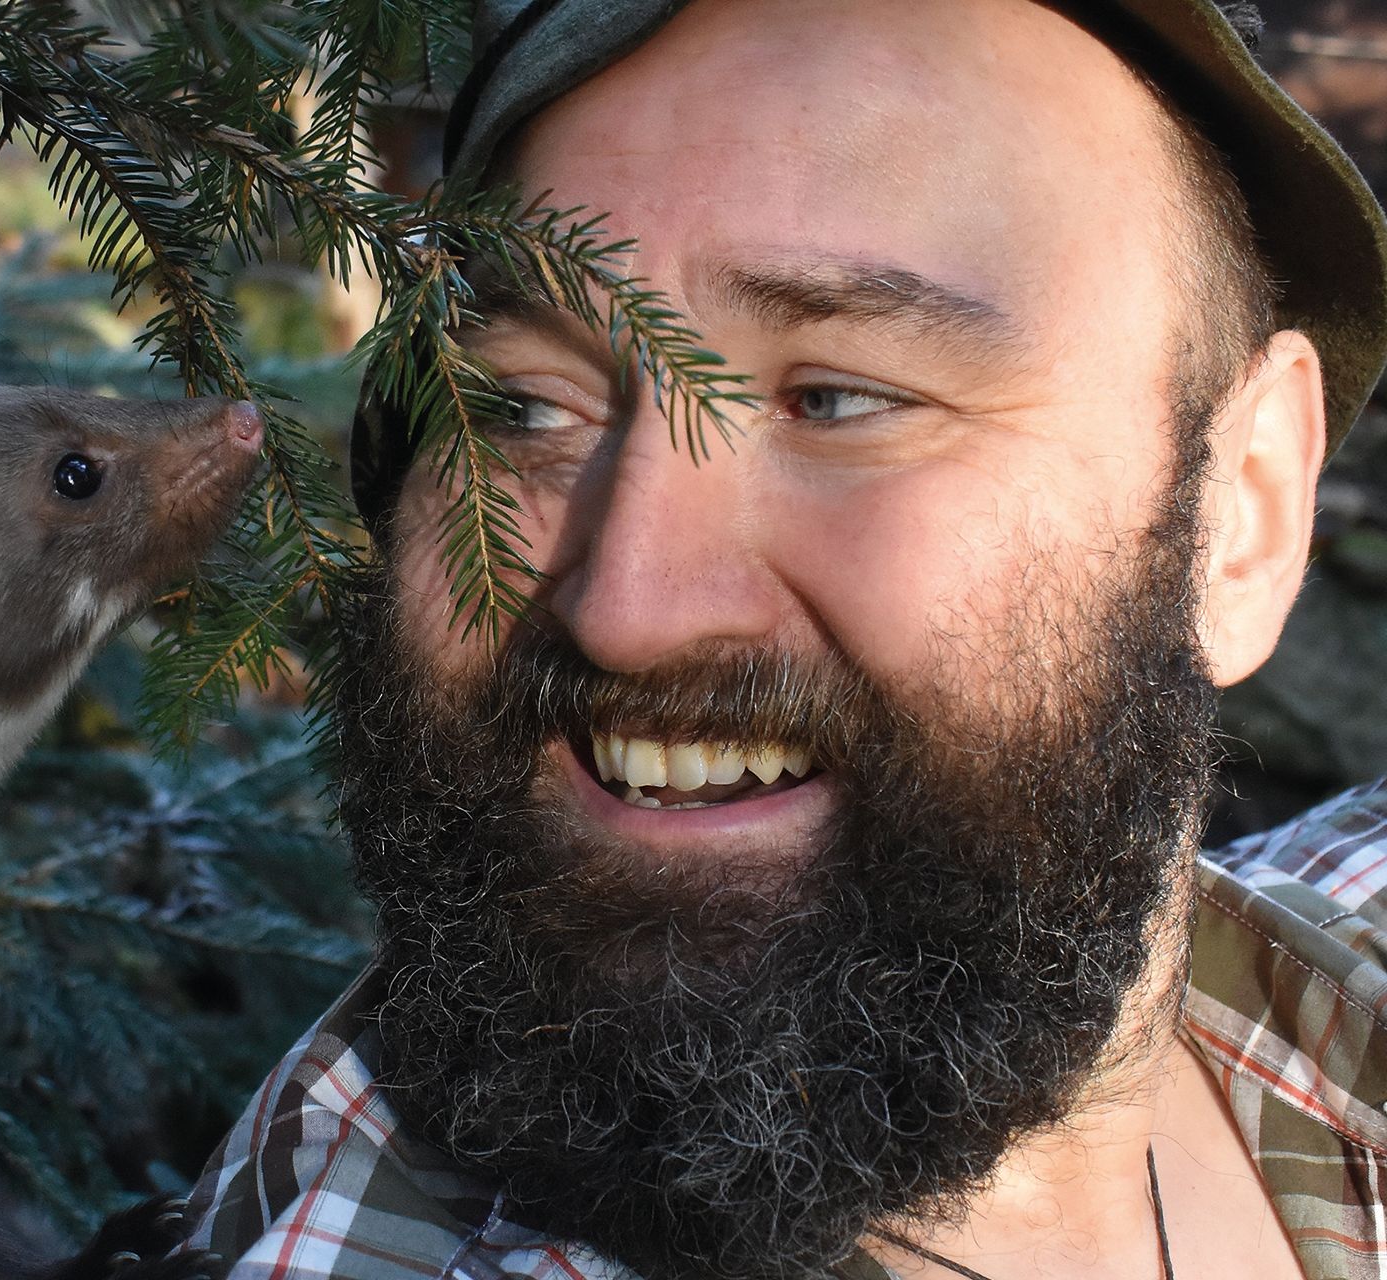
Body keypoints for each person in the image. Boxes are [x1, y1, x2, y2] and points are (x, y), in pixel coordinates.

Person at [184, 2, 1387, 1277]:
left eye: (840, 399)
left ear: (1238, 514)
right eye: (521, 403)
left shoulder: (1320, 1010)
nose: (628, 611)